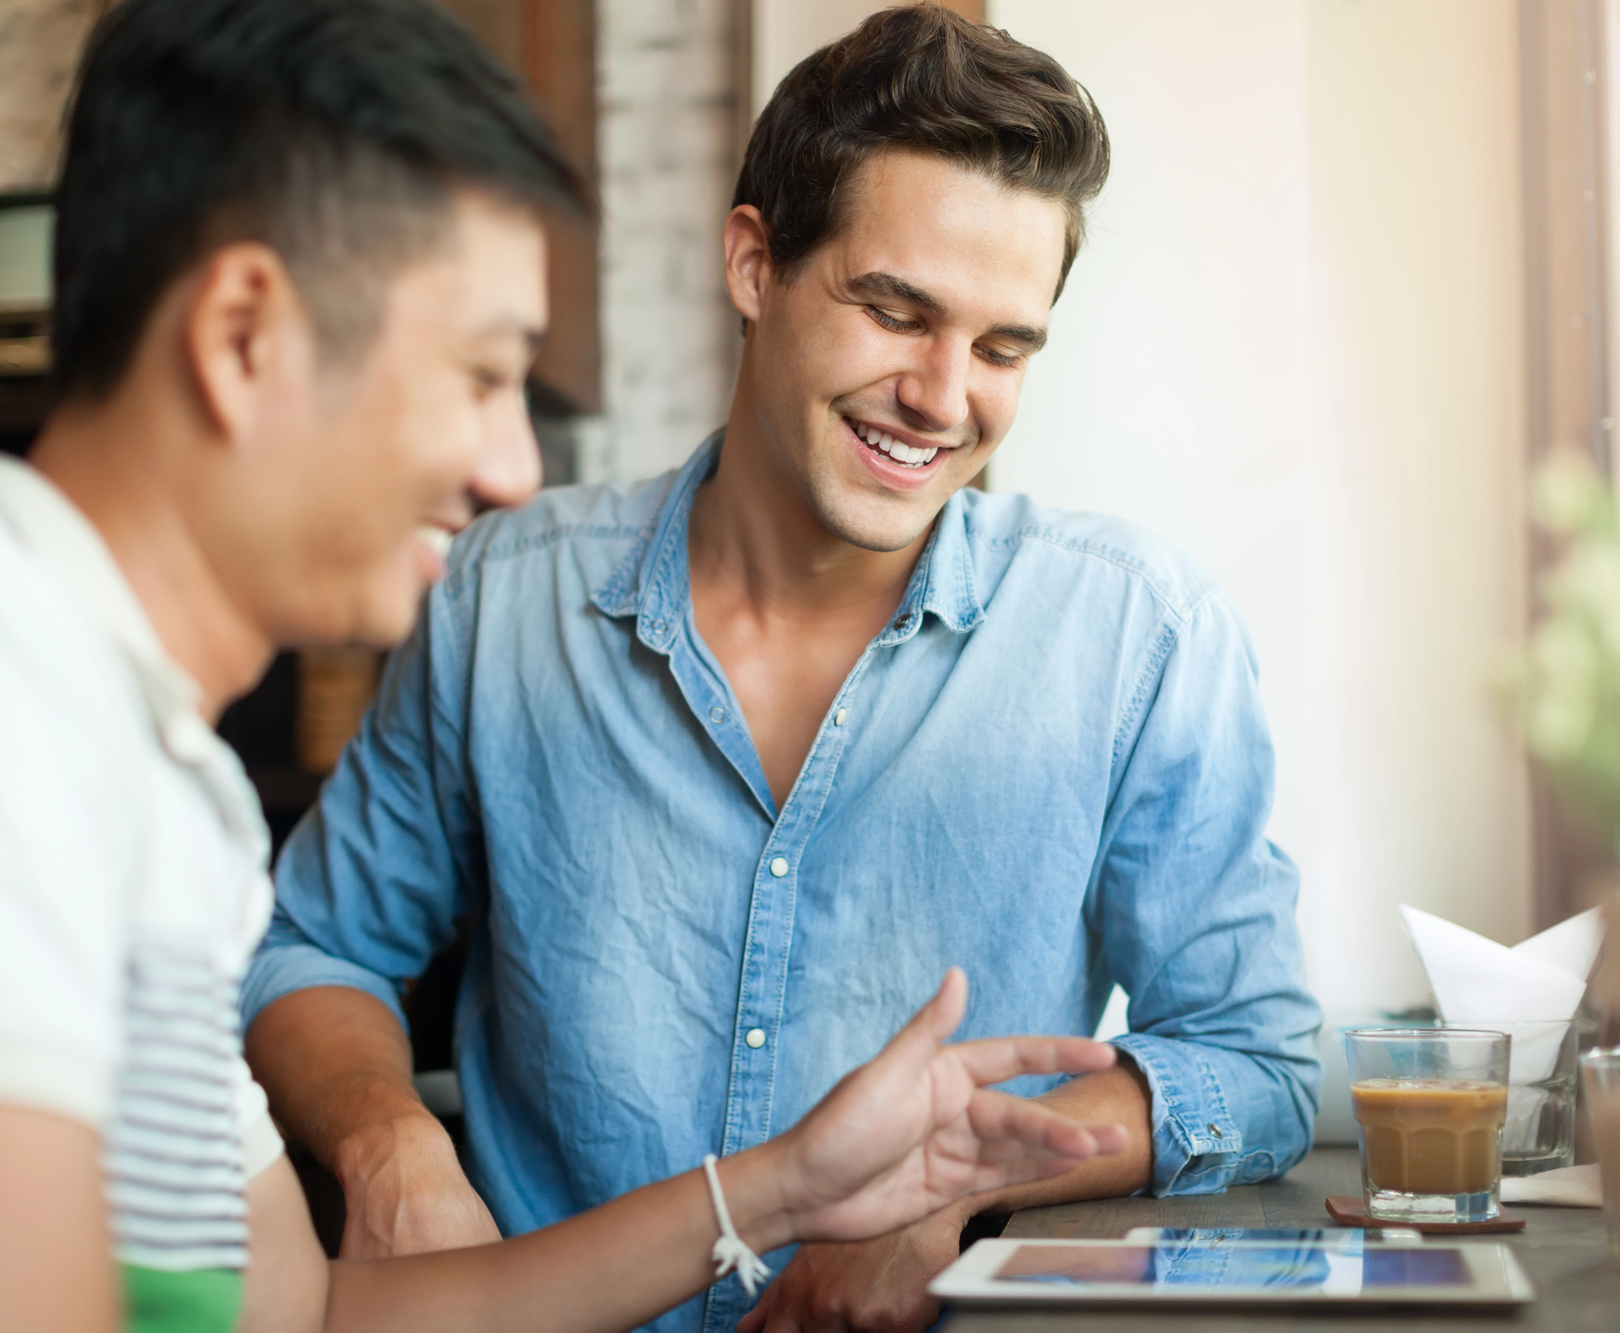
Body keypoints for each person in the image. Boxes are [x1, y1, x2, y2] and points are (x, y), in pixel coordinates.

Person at [0, 2, 1133, 1331]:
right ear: (245, 335)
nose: (514, 468)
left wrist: (791, 1183)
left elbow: (308, 1315)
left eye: (998, 346)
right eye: (480, 373)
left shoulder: (162, 785)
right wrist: (391, 1141)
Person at [242, 7, 1324, 1333]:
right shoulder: (502, 602)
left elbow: (1250, 1060)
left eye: (1001, 347)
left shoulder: (1138, 636)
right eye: (894, 310)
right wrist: (391, 1149)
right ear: (754, 264)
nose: (941, 396)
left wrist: (956, 1203)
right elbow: (314, 949)